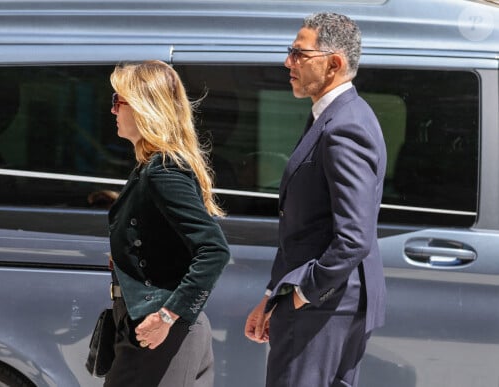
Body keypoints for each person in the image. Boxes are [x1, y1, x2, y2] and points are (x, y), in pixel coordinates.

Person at [244, 12, 387, 387]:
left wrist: (302, 293)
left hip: (325, 308)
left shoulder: (345, 126)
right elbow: (306, 222)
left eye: (298, 53)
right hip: (324, 306)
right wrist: (272, 295)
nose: (287, 62)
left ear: (333, 64)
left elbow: (354, 236)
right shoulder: (335, 116)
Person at [104, 60, 230, 387]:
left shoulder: (163, 171)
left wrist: (166, 316)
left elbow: (213, 250)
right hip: (151, 330)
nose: (113, 110)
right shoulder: (150, 168)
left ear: (144, 107)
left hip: (161, 333)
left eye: (119, 101)